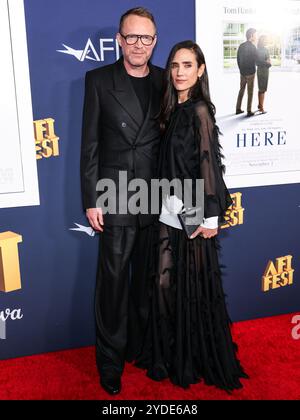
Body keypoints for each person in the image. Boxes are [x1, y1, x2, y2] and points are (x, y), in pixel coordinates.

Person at [136, 40, 248, 391]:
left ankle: (197, 355)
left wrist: (211, 215)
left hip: (195, 208)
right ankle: (172, 351)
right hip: (169, 206)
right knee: (164, 283)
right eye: (174, 65)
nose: (180, 72)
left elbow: (207, 162)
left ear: (200, 71)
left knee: (195, 286)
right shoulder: (172, 108)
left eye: (188, 65)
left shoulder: (200, 110)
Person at [80, 7, 163, 395]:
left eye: (145, 38)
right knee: (112, 286)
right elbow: (90, 146)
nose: (138, 45)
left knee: (149, 282)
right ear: (119, 39)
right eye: (131, 37)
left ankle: (142, 348)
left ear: (155, 41)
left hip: (157, 197)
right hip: (115, 196)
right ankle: (110, 363)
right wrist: (92, 198)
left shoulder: (167, 81)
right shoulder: (98, 80)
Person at [236, 28, 257, 117]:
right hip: (251, 73)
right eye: (255, 35)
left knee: (241, 90)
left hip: (242, 72)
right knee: (250, 92)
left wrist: (241, 70)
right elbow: (256, 59)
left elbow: (238, 59)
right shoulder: (253, 47)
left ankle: (238, 109)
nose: (256, 36)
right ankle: (249, 110)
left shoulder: (241, 46)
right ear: (251, 36)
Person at [256, 35, 271, 114]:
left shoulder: (257, 49)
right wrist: (268, 63)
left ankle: (259, 105)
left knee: (261, 88)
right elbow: (267, 61)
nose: (267, 41)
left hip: (259, 70)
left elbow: (257, 62)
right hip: (264, 71)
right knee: (263, 89)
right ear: (263, 41)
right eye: (266, 40)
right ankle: (261, 108)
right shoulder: (265, 50)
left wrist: (267, 62)